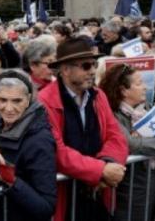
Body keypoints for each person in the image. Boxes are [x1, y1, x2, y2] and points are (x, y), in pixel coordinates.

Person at [38, 37, 128, 221]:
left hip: (98, 193)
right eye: (86, 66)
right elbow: (56, 150)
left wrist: (108, 162)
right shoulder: (45, 101)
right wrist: (100, 170)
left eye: (94, 64)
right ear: (65, 70)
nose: (93, 71)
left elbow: (115, 135)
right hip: (65, 195)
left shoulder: (98, 95)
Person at [100, 64, 155, 221]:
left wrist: (149, 136)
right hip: (130, 187)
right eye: (139, 83)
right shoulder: (113, 114)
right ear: (123, 90)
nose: (145, 87)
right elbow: (131, 144)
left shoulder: (146, 109)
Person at [0, 70, 56, 221]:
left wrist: (11, 181)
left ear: (28, 100)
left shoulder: (40, 141)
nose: (8, 108)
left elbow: (46, 207)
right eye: (2, 100)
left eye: (17, 101)